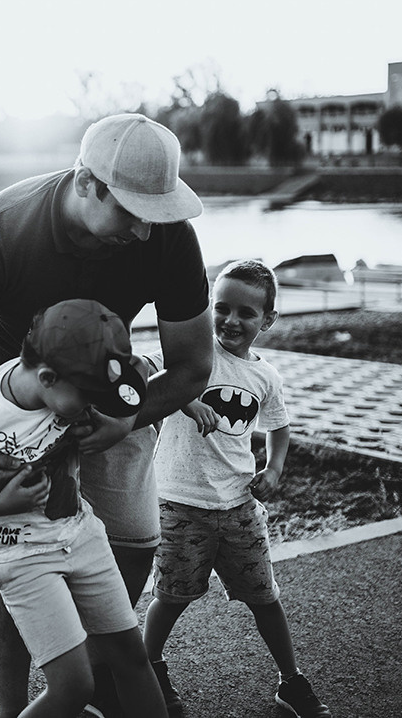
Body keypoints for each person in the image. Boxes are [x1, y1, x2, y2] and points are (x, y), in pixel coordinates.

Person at [0, 112, 214, 718]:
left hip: (102, 374)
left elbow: (192, 366)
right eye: (130, 212)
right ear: (85, 183)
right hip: (6, 376)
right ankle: (12, 707)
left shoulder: (168, 234)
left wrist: (125, 422)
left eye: (155, 213)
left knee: (134, 539)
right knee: (19, 546)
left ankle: (94, 679)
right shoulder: (4, 225)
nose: (144, 231)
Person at [0, 299, 168, 718]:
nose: (93, 405)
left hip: (83, 534)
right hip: (23, 556)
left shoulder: (62, 379)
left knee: (132, 659)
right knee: (74, 686)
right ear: (47, 377)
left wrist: (111, 420)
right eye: (88, 397)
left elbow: (130, 378)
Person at [142, 260, 332, 718]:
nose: (231, 320)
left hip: (239, 504)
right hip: (179, 502)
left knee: (265, 597)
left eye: (246, 312)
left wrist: (275, 468)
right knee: (170, 597)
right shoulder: (191, 354)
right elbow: (147, 382)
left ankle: (291, 681)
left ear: (267, 320)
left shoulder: (266, 377)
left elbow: (279, 426)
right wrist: (186, 400)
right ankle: (148, 669)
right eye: (222, 308)